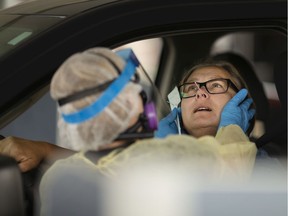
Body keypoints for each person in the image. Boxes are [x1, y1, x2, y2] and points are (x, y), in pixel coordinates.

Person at [38, 49, 257, 216]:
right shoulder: (174, 156)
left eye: (216, 86)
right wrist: (233, 128)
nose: (200, 93)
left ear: (241, 103)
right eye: (191, 88)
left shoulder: (60, 174)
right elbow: (228, 171)